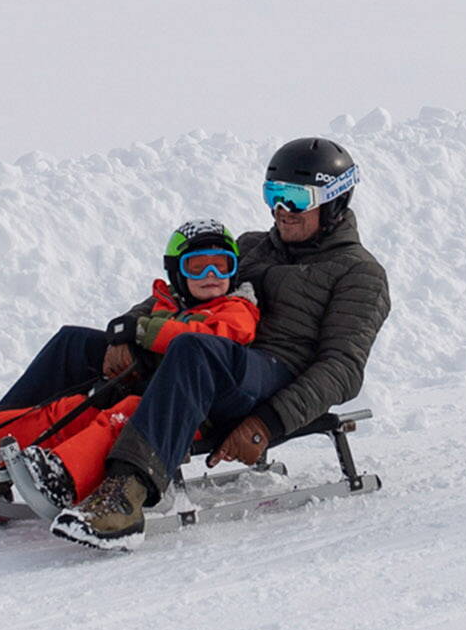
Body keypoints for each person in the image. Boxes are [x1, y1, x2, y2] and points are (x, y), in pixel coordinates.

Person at [50, 137, 390, 550]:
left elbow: (342, 369)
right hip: (210, 358)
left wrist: (266, 424)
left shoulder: (358, 273)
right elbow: (183, 293)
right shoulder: (250, 247)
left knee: (194, 348)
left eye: (295, 198)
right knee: (75, 343)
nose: (281, 210)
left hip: (271, 377)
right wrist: (126, 328)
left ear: (335, 201)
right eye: (273, 194)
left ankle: (126, 493)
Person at [0, 220, 258, 522]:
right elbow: (130, 325)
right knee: (70, 409)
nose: (211, 276)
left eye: (221, 266)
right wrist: (127, 332)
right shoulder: (166, 305)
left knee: (120, 418)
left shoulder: (236, 309)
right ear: (177, 273)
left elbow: (209, 340)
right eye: (197, 267)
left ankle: (63, 473)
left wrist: (144, 332)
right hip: (145, 390)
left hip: (190, 408)